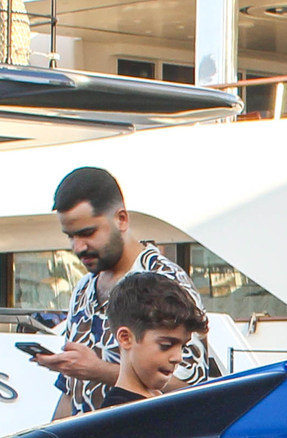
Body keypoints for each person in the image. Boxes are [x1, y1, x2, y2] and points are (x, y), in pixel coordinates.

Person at [35, 165, 201, 418]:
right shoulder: (83, 289)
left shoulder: (168, 281)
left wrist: (97, 370)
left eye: (88, 233)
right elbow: (72, 392)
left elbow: (193, 388)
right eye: (70, 236)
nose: (78, 247)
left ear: (121, 219)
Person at [102, 270, 207, 404]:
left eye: (183, 347)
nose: (178, 358)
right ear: (125, 338)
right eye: (166, 346)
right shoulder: (120, 415)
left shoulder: (158, 400)